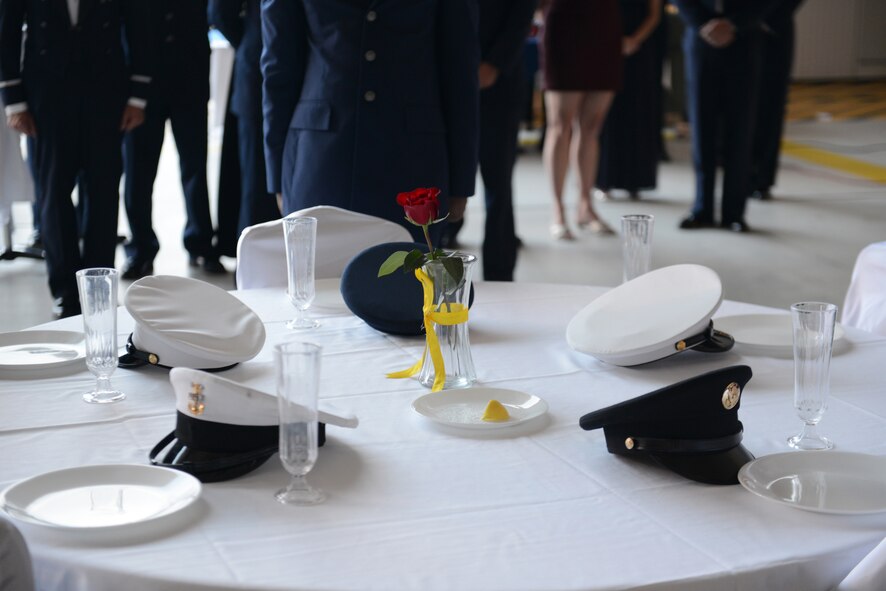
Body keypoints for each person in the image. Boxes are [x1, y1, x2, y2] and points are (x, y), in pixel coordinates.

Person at [261, 0, 479, 244]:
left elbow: (460, 72)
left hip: (413, 161)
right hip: (320, 159)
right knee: (320, 276)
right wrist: (276, 172)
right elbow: (278, 70)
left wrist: (461, 180)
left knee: (409, 279)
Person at [0, 0, 150, 318]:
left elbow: (138, 25)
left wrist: (138, 94)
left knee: (104, 193)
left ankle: (97, 290)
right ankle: (66, 292)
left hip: (107, 94)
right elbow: (6, 29)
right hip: (45, 98)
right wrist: (13, 100)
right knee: (53, 196)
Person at [122, 0, 224, 280]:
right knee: (138, 172)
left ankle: (201, 242)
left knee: (195, 166)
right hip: (142, 83)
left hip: (190, 77)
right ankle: (140, 249)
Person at [443, 0, 536, 282]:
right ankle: (443, 244)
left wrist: (494, 64)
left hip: (498, 83)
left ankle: (500, 269)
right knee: (443, 175)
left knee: (498, 178)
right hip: (448, 82)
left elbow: (522, 16)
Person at [673, 0, 766, 233]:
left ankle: (733, 213)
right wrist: (702, 23)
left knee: (741, 129)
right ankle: (702, 208)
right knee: (702, 128)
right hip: (700, 39)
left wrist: (734, 24)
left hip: (744, 40)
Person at [539, 0, 623, 240]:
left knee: (592, 126)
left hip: (604, 24)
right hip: (564, 23)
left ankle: (585, 205)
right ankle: (558, 209)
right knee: (560, 124)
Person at [209, 0, 280, 241]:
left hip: (284, 75)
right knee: (255, 182)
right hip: (256, 72)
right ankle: (252, 265)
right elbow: (219, 11)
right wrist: (250, 39)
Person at [597, 0, 662, 200]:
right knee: (606, 114)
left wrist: (634, 40)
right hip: (605, 43)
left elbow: (654, 14)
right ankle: (603, 179)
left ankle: (635, 180)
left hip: (640, 47)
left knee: (638, 111)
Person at [751, 0, 804, 201]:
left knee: (771, 106)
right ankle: (736, 173)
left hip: (773, 27)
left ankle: (761, 178)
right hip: (734, 28)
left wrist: (763, 17)